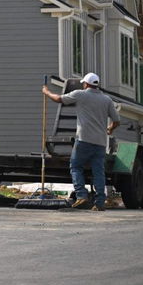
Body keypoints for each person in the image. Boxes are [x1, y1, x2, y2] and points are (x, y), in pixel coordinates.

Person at [42, 73, 120, 211]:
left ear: (86, 84)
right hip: (101, 142)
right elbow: (116, 121)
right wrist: (109, 129)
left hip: (84, 139)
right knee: (98, 172)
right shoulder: (106, 100)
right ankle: (100, 202)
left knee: (76, 166)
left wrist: (47, 92)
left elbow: (59, 99)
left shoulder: (80, 94)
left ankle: (81, 195)